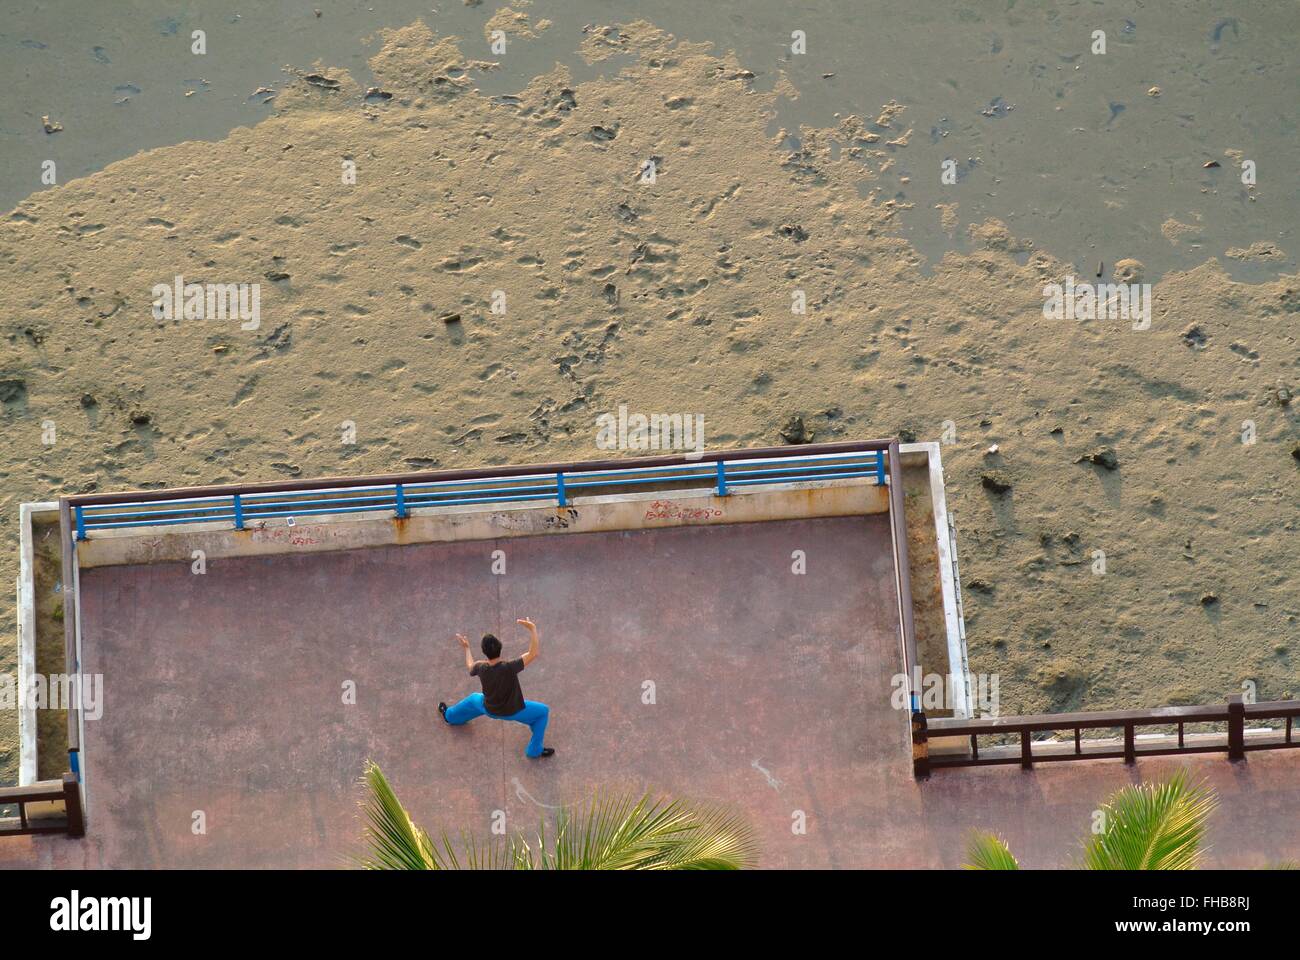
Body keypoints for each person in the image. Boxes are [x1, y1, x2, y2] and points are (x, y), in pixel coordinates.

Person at [439, 617, 554, 759]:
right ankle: (534, 750)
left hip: (489, 709)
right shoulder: (510, 667)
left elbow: (470, 665)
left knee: (472, 699)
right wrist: (533, 629)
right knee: (543, 712)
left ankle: (449, 716)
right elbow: (533, 653)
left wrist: (467, 648)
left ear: (484, 651)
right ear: (500, 648)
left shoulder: (481, 667)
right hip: (513, 711)